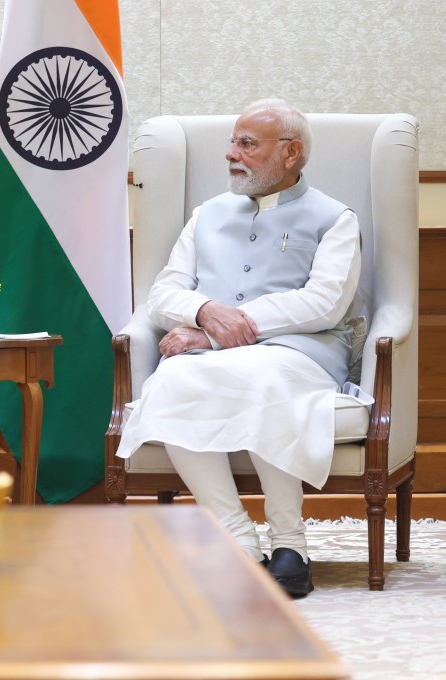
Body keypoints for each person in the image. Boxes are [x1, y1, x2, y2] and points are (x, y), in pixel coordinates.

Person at [116, 98, 367, 598]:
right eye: (232, 143)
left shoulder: (335, 218)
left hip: (301, 352)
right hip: (210, 355)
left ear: (291, 153)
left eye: (247, 144)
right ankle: (236, 538)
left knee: (263, 376)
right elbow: (163, 294)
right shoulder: (206, 215)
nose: (232, 154)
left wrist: (217, 332)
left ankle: (291, 543)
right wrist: (205, 310)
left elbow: (324, 303)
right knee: (170, 380)